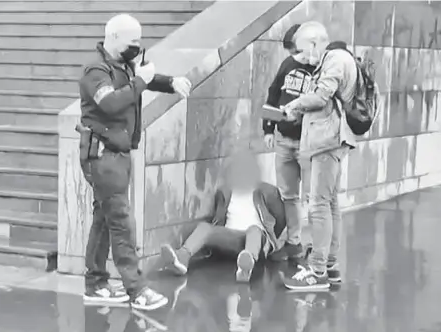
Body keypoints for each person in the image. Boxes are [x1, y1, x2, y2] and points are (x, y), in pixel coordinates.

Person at [77, 13, 192, 309]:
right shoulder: (96, 70)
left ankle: (96, 283)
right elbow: (111, 102)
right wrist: (141, 79)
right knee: (121, 223)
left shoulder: (124, 65)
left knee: (104, 220)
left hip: (118, 153)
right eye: (132, 42)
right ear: (113, 38)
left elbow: (145, 81)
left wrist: (170, 82)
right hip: (102, 156)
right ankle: (137, 290)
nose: (137, 47)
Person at [279, 21, 358, 291]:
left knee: (319, 205)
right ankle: (330, 265)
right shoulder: (335, 58)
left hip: (327, 141)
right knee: (330, 203)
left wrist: (295, 104)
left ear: (314, 43)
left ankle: (318, 271)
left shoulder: (335, 59)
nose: (303, 56)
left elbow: (322, 96)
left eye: (303, 49)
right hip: (330, 139)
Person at [159, 150, 287, 283]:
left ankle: (246, 266)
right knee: (205, 227)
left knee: (254, 229)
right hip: (231, 238)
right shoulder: (224, 192)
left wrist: (271, 243)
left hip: (256, 240)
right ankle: (181, 259)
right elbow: (218, 219)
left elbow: (281, 219)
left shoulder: (267, 191)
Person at [262, 24, 317, 261]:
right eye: (295, 50)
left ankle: (317, 246)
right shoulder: (288, 65)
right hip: (285, 138)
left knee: (316, 197)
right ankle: (294, 242)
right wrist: (268, 128)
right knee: (289, 195)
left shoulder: (323, 67)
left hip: (310, 141)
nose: (298, 55)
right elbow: (273, 95)